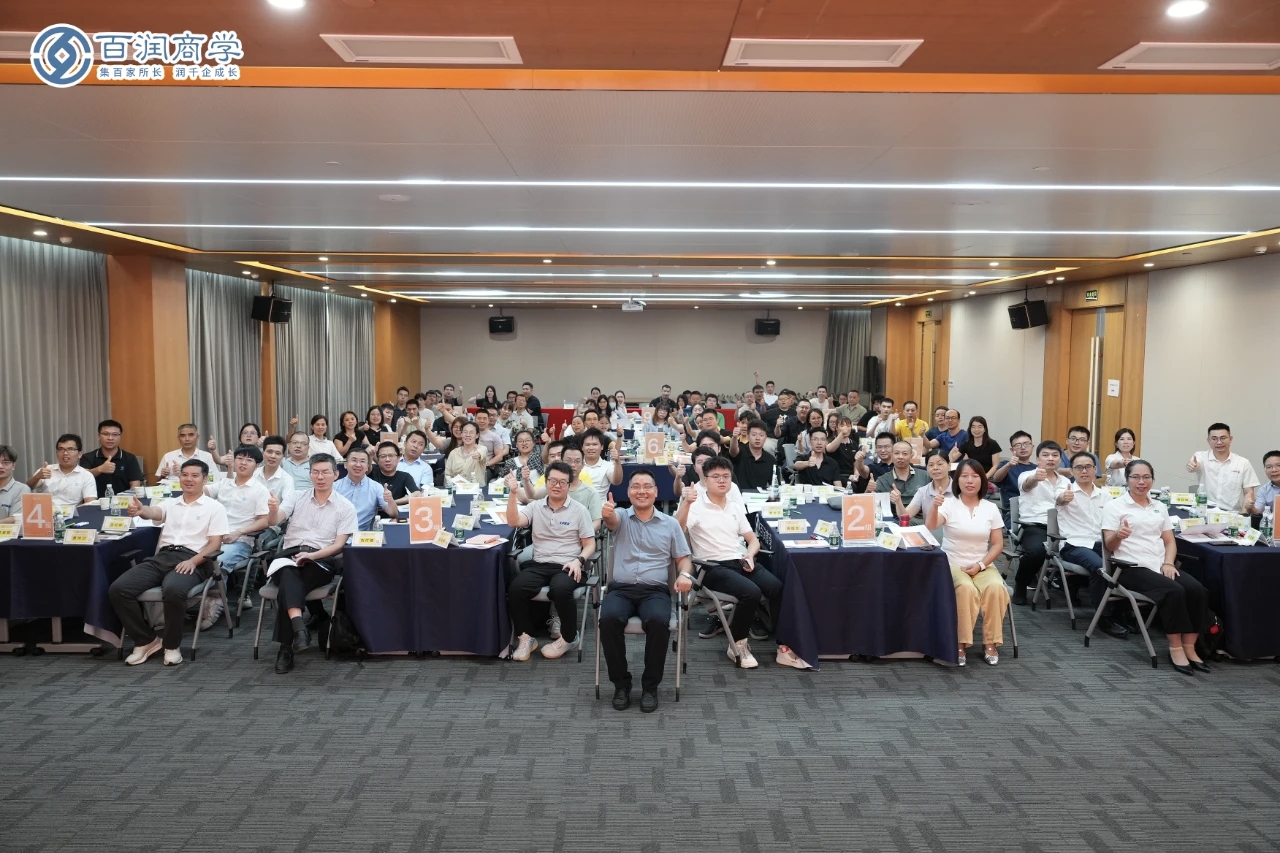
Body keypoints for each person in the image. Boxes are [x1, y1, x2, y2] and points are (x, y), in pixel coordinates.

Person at [676, 456, 797, 669]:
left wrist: (749, 554)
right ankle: (737, 644)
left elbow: (753, 539)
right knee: (751, 592)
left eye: (726, 476)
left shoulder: (733, 506)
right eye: (716, 476)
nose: (722, 480)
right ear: (706, 479)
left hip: (739, 560)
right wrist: (686, 503)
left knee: (776, 587)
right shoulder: (696, 506)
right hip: (712, 567)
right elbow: (677, 529)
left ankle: (783, 644)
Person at [108, 459, 230, 667]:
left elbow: (215, 544)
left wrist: (193, 561)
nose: (188, 479)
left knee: (173, 590)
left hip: (194, 559)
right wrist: (141, 510)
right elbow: (155, 513)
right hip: (163, 557)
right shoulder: (171, 502)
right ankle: (145, 640)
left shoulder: (214, 507)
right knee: (119, 589)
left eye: (194, 475)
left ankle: (172, 645)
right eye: (185, 475)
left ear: (204, 479)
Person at [1102, 459, 1211, 675]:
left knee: (1198, 590)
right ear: (1127, 480)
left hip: (1159, 565)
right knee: (1174, 591)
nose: (1141, 482)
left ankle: (1190, 647)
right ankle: (1176, 648)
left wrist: (1168, 562)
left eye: (1146, 477)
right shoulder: (1115, 506)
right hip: (1130, 567)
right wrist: (1119, 535)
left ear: (1152, 480)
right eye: (1135, 477)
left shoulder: (1159, 506)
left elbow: (1170, 541)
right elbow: (1109, 545)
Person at [599, 469, 693, 713]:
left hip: (655, 591)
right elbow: (611, 521)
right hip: (621, 589)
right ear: (628, 492)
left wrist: (684, 574)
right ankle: (621, 685)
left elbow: (683, 559)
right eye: (636, 486)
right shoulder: (620, 516)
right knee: (608, 619)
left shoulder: (670, 524)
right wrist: (607, 514)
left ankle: (650, 687)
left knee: (659, 621)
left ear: (656, 491)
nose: (642, 491)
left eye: (647, 486)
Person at [266, 454, 358, 674]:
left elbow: (338, 545)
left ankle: (287, 647)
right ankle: (298, 629)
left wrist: (312, 557)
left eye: (325, 472)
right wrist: (272, 510)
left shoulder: (345, 507)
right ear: (309, 474)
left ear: (336, 474)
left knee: (288, 582)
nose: (320, 477)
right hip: (288, 556)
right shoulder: (297, 497)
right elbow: (274, 521)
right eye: (315, 472)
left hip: (320, 560)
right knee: (288, 571)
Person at [506, 461, 597, 662]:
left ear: (569, 485)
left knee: (561, 589)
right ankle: (526, 637)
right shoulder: (535, 506)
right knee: (516, 588)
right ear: (546, 482)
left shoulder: (579, 510)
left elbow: (590, 544)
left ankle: (569, 637)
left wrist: (579, 560)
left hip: (567, 564)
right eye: (553, 481)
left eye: (562, 482)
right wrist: (513, 494)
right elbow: (513, 521)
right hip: (540, 563)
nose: (557, 485)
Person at [925, 459, 1008, 666]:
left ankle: (991, 643)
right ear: (957, 480)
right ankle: (960, 643)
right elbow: (931, 525)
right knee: (965, 589)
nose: (969, 481)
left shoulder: (991, 508)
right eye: (964, 476)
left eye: (974, 476)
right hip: (953, 564)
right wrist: (935, 506)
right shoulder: (949, 503)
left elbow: (998, 544)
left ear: (982, 480)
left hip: (982, 565)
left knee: (996, 588)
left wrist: (981, 565)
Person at [1055, 451, 1128, 639]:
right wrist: (1064, 497)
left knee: (1124, 562)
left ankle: (1123, 612)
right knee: (1099, 567)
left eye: (1088, 467)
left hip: (1099, 543)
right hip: (1074, 545)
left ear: (1096, 469)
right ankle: (1104, 618)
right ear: (1072, 471)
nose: (1084, 471)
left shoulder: (1105, 495)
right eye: (1079, 467)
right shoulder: (1066, 489)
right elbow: (1059, 498)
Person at [204, 445, 272, 588]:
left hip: (239, 541)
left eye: (249, 460)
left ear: (257, 466)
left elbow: (264, 521)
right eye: (240, 458)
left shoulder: (260, 490)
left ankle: (216, 598)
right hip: (212, 537)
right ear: (233, 461)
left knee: (216, 562)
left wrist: (239, 532)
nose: (243, 463)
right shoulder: (224, 483)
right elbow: (202, 491)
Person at [1012, 440, 1068, 605]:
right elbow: (1028, 485)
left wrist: (1064, 499)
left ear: (1060, 459)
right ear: (1038, 459)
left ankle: (1072, 588)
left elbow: (1062, 500)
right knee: (1037, 550)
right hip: (1035, 525)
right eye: (1045, 455)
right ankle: (1021, 585)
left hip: (1062, 527)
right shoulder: (1026, 475)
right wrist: (1036, 478)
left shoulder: (1065, 481)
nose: (1050, 458)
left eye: (1055, 455)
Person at [1186, 422, 1260, 513]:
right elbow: (1195, 464)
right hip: (1206, 512)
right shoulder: (1201, 456)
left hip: (1232, 514)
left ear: (1231, 439)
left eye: (1223, 438)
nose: (1219, 442)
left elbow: (1248, 492)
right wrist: (1192, 466)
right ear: (1208, 440)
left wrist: (1244, 514)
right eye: (1214, 439)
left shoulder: (1243, 463)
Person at [28, 434, 97, 506]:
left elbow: (90, 504)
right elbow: (28, 487)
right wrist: (37, 477)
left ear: (79, 454)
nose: (65, 453)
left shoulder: (86, 476)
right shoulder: (46, 469)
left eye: (70, 449)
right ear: (56, 453)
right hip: (46, 511)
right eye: (61, 449)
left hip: (72, 512)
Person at [80, 419, 144, 497]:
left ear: (120, 437)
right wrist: (99, 469)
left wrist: (124, 499)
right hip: (94, 501)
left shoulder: (130, 458)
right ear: (99, 436)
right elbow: (81, 479)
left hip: (123, 501)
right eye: (106, 434)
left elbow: (135, 484)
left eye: (115, 434)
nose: (110, 438)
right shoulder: (87, 457)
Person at [873, 441, 930, 517]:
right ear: (891, 455)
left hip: (922, 520)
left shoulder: (925, 476)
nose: (900, 457)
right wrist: (869, 490)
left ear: (911, 456)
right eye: (896, 453)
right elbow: (873, 504)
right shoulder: (882, 480)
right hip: (894, 520)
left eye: (905, 454)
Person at [991, 431, 1037, 526]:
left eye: (1026, 444)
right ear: (1012, 450)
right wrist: (1008, 465)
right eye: (1018, 445)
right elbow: (996, 478)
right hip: (1013, 513)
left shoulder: (1037, 469)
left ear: (1032, 447)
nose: (1023, 447)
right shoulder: (1006, 465)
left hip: (1036, 511)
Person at [902, 450, 953, 524]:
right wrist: (898, 501)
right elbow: (906, 516)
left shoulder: (960, 490)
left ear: (949, 466)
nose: (935, 468)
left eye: (940, 464)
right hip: (929, 530)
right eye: (931, 465)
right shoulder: (923, 491)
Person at [370, 441, 422, 508]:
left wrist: (392, 502)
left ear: (398, 458)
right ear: (378, 459)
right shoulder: (371, 472)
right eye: (383, 456)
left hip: (396, 512)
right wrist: (370, 456)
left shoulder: (404, 476)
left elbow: (417, 494)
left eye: (391, 456)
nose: (387, 459)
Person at [729, 421, 776, 490]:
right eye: (754, 435)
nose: (757, 438)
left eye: (761, 435)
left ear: (765, 437)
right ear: (748, 436)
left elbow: (775, 484)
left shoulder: (770, 459)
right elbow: (733, 451)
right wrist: (734, 437)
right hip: (739, 494)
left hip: (761, 495)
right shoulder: (740, 452)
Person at [250, 435, 292, 501]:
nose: (273, 456)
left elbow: (287, 504)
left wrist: (276, 507)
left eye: (277, 453)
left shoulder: (287, 479)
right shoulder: (253, 474)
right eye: (269, 452)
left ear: (282, 457)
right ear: (263, 453)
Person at [0, 444, 31, 523]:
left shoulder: (22, 489)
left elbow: (15, 519)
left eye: (5, 462)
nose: (0, 466)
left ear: (13, 466)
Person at [825, 417, 859, 484]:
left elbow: (855, 462)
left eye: (848, 426)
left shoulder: (853, 443)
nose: (845, 428)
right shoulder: (831, 440)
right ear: (836, 428)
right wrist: (842, 434)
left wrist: (856, 475)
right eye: (842, 426)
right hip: (836, 476)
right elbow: (830, 449)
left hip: (850, 476)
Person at [1252, 450, 1280, 516]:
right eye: (1269, 467)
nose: (1274, 470)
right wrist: (1251, 507)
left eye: (1278, 465)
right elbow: (1259, 512)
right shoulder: (1263, 491)